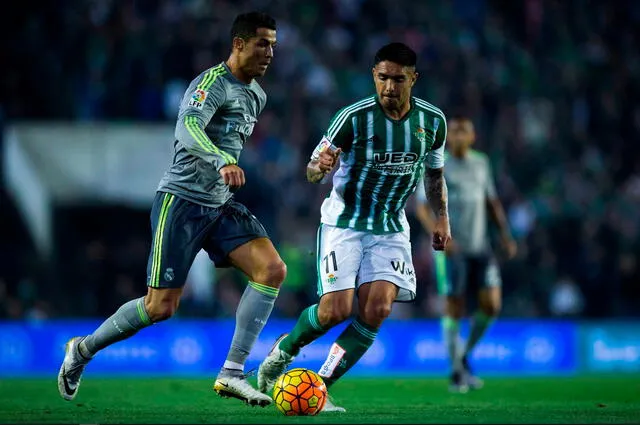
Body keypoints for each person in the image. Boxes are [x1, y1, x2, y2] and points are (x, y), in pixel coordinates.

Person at [58, 12, 284, 407]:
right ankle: (83, 349)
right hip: (180, 202)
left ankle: (232, 372)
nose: (269, 52)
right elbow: (188, 128)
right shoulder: (211, 83)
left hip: (219, 203)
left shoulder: (257, 95)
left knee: (272, 269)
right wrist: (220, 160)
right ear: (239, 44)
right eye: (262, 43)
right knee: (160, 307)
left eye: (273, 45)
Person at [257, 42, 450, 412]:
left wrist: (442, 218)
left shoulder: (433, 123)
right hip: (345, 223)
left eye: (398, 79)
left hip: (391, 228)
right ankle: (282, 352)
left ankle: (319, 385)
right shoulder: (353, 118)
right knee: (335, 310)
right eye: (382, 78)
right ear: (373, 76)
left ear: (414, 79)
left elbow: (435, 175)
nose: (389, 87)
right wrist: (321, 167)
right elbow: (312, 172)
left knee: (377, 309)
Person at [413, 114, 517, 393]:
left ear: (472, 137)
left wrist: (505, 235)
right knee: (454, 307)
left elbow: (491, 201)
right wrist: (438, 234)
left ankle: (462, 357)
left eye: (463, 131)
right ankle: (457, 371)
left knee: (492, 305)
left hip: (480, 245)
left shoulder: (481, 163)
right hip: (451, 249)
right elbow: (422, 207)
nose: (458, 136)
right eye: (454, 132)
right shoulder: (437, 163)